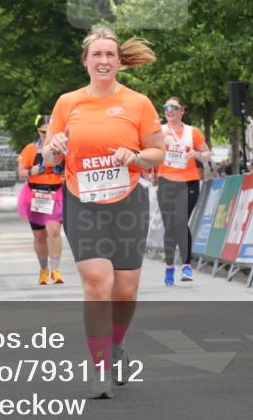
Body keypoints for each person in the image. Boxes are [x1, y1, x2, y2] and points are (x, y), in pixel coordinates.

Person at [43, 24, 165, 399]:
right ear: (85, 61)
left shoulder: (138, 103)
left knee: (125, 290)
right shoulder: (67, 103)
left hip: (128, 200)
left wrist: (136, 155)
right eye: (96, 54)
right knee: (98, 283)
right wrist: (56, 145)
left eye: (110, 54)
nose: (104, 60)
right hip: (83, 201)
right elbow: (48, 153)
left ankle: (115, 345)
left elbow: (157, 152)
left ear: (119, 62)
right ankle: (99, 368)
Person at [156, 97, 211, 285]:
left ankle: (187, 265)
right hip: (166, 181)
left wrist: (196, 154)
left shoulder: (192, 132)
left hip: (188, 182)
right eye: (166, 107)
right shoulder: (159, 131)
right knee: (170, 226)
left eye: (174, 107)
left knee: (180, 221)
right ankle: (170, 266)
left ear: (182, 111)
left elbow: (207, 154)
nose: (169, 111)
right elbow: (147, 152)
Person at [17, 115, 66, 286]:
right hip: (36, 194)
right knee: (39, 236)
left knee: (53, 230)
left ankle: (56, 270)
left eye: (50, 131)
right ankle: (44, 269)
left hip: (57, 193)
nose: (47, 135)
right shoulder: (31, 149)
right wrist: (34, 170)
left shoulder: (62, 147)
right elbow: (21, 172)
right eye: (44, 132)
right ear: (39, 131)